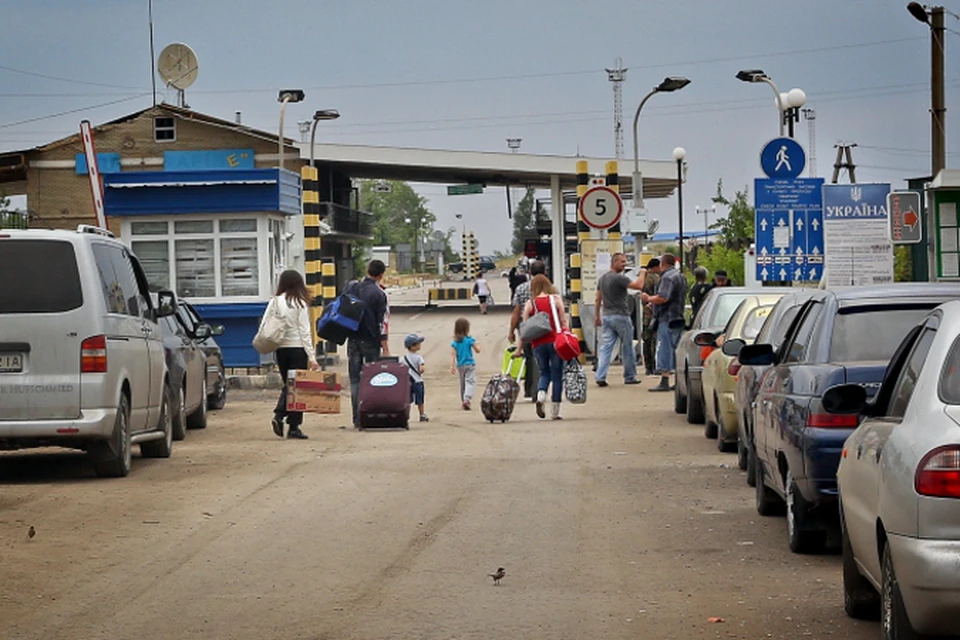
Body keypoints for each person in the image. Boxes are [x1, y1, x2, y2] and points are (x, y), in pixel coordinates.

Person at [267, 269, 320, 440]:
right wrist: (312, 357)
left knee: (288, 385)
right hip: (297, 348)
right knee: (295, 387)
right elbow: (305, 332)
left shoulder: (275, 302)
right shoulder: (300, 303)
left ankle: (284, 418)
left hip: (280, 349)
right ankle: (289, 422)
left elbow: (266, 324)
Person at [347, 259, 390, 427]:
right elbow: (382, 324)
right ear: (381, 275)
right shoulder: (379, 294)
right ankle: (369, 415)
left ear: (367, 270)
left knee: (355, 380)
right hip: (371, 341)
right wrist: (385, 347)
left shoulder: (353, 288)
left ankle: (356, 418)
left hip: (353, 339)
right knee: (372, 378)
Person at [594, 252, 647, 387]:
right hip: (621, 316)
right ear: (614, 262)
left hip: (606, 316)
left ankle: (600, 375)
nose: (624, 265)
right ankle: (630, 376)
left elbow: (598, 298)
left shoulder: (603, 278)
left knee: (606, 347)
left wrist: (597, 315)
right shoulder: (619, 278)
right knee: (627, 346)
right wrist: (643, 272)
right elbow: (639, 286)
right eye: (622, 262)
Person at [519, 274, 567, 420]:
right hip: (556, 342)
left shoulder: (530, 303)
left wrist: (519, 347)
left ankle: (541, 396)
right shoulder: (556, 299)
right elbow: (564, 322)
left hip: (538, 344)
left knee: (544, 372)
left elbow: (525, 328)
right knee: (557, 375)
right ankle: (555, 411)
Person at [642, 254, 687, 393]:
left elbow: (663, 297)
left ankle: (665, 380)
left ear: (662, 263)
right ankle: (678, 382)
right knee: (675, 349)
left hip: (666, 318)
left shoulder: (667, 277)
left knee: (664, 349)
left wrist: (649, 298)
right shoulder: (680, 276)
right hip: (677, 317)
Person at [508, 259, 545, 400]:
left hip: (526, 328)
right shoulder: (550, 289)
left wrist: (511, 331)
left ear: (530, 273)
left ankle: (529, 389)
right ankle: (538, 388)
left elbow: (516, 313)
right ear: (545, 272)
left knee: (529, 357)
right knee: (540, 358)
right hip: (544, 328)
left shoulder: (521, 288)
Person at [450, 317, 480, 410]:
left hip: (460, 365)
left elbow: (453, 355)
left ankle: (464, 400)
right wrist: (476, 345)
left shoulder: (455, 342)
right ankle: (467, 399)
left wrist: (452, 366)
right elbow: (478, 350)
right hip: (470, 364)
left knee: (463, 383)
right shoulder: (469, 340)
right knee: (470, 382)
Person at [640, 258, 662, 376]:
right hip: (654, 313)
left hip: (646, 314)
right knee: (654, 339)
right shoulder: (656, 278)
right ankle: (655, 366)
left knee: (646, 340)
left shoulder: (643, 278)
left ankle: (648, 367)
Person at [403, 333, 429, 422]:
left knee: (408, 399)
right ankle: (422, 414)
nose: (420, 345)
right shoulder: (419, 357)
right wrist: (421, 370)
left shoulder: (404, 358)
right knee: (420, 400)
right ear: (413, 346)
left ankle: (406, 415)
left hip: (408, 382)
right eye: (418, 343)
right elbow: (421, 368)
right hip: (418, 381)